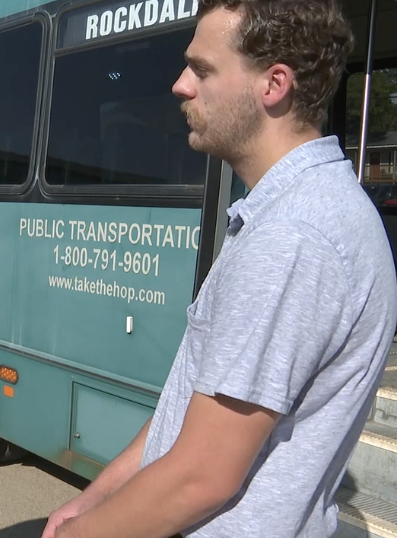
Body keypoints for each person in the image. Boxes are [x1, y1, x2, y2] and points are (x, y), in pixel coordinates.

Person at [41, 1, 397, 537]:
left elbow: (201, 477)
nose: (180, 85)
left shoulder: (294, 237)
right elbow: (182, 416)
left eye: (202, 69)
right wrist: (97, 497)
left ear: (273, 84)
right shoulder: (292, 212)